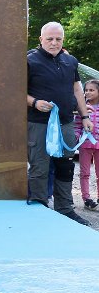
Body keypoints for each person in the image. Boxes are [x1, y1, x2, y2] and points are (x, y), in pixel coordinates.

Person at [27, 22, 94, 226]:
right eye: (50, 39)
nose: (54, 43)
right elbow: (14, 91)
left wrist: (84, 116)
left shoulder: (71, 61)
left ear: (63, 39)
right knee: (40, 167)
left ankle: (65, 209)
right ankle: (38, 209)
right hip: (38, 124)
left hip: (66, 123)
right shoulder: (29, 61)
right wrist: (34, 102)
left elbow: (77, 90)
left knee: (65, 166)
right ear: (41, 39)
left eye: (58, 39)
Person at [74, 79, 99, 210]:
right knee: (84, 173)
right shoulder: (82, 108)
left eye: (91, 90)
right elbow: (77, 126)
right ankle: (87, 199)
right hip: (85, 146)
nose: (88, 92)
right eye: (86, 90)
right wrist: (75, 138)